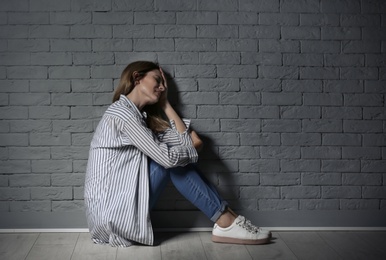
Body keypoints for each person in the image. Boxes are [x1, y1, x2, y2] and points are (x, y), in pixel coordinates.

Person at [84, 61, 271, 247]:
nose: (162, 86)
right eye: (157, 80)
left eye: (163, 84)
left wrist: (165, 104)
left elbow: (185, 143)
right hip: (112, 217)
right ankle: (225, 221)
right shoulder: (122, 115)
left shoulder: (138, 118)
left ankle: (228, 219)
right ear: (137, 77)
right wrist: (193, 148)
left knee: (174, 159)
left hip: (124, 206)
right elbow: (175, 154)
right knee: (169, 162)